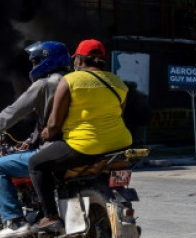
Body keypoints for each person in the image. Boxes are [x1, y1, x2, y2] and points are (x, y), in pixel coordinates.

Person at [28, 39, 133, 233]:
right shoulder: (119, 83)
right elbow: (118, 114)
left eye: (76, 59)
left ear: (80, 60)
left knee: (36, 164)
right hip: (120, 144)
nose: (74, 63)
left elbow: (53, 124)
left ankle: (50, 217)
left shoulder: (69, 81)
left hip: (85, 146)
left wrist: (45, 134)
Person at [0, 41, 71, 238]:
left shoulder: (44, 85)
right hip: (80, 146)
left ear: (46, 61)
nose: (34, 66)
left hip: (54, 150)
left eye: (36, 61)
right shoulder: (76, 81)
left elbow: (12, 113)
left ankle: (15, 221)